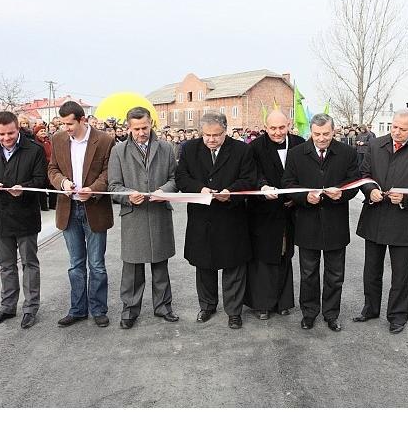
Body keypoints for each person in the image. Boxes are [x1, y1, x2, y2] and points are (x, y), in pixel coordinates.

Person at [354, 108, 408, 334]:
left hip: (403, 219)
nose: (396, 132)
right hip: (375, 216)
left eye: (402, 129)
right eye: (394, 127)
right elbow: (364, 174)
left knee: (400, 273)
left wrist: (406, 197)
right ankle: (370, 309)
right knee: (371, 269)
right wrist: (369, 190)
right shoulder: (375, 145)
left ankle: (397, 316)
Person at [175, 111, 256, 329]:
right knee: (204, 266)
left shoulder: (241, 150)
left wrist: (231, 191)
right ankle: (207, 306)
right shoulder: (189, 149)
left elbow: (249, 179)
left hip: (231, 217)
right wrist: (199, 189)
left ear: (225, 131)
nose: (211, 139)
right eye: (207, 135)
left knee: (234, 267)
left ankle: (234, 312)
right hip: (202, 218)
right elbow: (181, 177)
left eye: (216, 135)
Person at [282, 114, 360, 331]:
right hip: (307, 223)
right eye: (317, 134)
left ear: (333, 131)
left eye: (326, 133)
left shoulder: (347, 153)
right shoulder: (296, 154)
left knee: (335, 275)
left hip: (336, 223)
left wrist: (342, 194)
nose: (321, 138)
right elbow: (288, 183)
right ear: (311, 132)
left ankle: (331, 314)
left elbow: (354, 183)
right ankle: (309, 313)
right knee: (308, 274)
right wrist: (305, 197)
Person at [109, 107, 179, 329]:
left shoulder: (166, 148)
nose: (141, 132)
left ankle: (163, 307)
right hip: (133, 216)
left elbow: (175, 179)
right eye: (137, 129)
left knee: (160, 264)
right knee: (132, 268)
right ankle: (129, 310)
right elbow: (113, 186)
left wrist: (163, 191)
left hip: (159, 213)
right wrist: (128, 195)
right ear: (128, 128)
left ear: (151, 124)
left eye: (145, 127)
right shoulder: (118, 151)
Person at [0, 111, 48, 329]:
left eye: (10, 133)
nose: (6, 138)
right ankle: (7, 306)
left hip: (25, 214)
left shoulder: (34, 150)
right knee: (6, 265)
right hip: (0, 214)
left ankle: (30, 308)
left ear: (18, 129)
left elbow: (41, 179)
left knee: (29, 263)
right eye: (1, 134)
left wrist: (24, 188)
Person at [48, 101, 115, 328]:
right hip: (69, 209)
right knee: (75, 264)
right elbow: (52, 169)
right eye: (63, 124)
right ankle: (77, 310)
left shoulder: (104, 140)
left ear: (82, 120)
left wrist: (93, 190)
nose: (66, 128)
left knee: (96, 264)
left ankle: (98, 310)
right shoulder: (58, 139)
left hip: (94, 208)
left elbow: (108, 172)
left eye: (70, 124)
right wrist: (63, 182)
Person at [244, 109, 304, 320]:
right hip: (263, 212)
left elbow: (305, 174)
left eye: (281, 127)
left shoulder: (299, 144)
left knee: (285, 254)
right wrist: (262, 187)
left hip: (290, 210)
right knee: (263, 257)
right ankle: (262, 304)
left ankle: (283, 301)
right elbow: (252, 174)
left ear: (289, 125)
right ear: (265, 127)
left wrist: (296, 197)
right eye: (273, 128)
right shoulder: (254, 147)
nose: (277, 132)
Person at [34, 124, 56, 211]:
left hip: (50, 166)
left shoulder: (49, 142)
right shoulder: (36, 143)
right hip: (42, 166)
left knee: (52, 185)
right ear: (36, 133)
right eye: (41, 131)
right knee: (42, 186)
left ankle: (53, 204)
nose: (43, 132)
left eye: (44, 131)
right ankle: (43, 205)